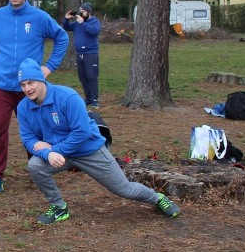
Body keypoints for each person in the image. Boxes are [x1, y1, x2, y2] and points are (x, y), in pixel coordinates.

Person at [16, 57, 180, 224]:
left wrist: (52, 151)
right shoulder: (24, 107)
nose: (27, 89)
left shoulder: (67, 97)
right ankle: (58, 207)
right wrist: (46, 153)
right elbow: (28, 139)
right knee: (35, 165)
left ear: (41, 79)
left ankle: (157, 198)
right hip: (60, 154)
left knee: (124, 189)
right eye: (23, 85)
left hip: (88, 150)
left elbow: (82, 133)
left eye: (31, 83)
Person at [0, 0, 69, 196]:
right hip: (1, 85)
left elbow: (61, 37)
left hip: (30, 88)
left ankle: (39, 170)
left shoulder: (39, 17)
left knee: (36, 130)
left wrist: (49, 66)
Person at [62, 2, 101, 108]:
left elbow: (94, 32)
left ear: (88, 12)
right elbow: (66, 27)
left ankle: (94, 99)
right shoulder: (77, 23)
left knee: (91, 76)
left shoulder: (94, 22)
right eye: (80, 11)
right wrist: (66, 19)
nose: (80, 13)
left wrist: (83, 23)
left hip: (90, 53)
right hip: (79, 54)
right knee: (82, 77)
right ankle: (88, 98)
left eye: (82, 11)